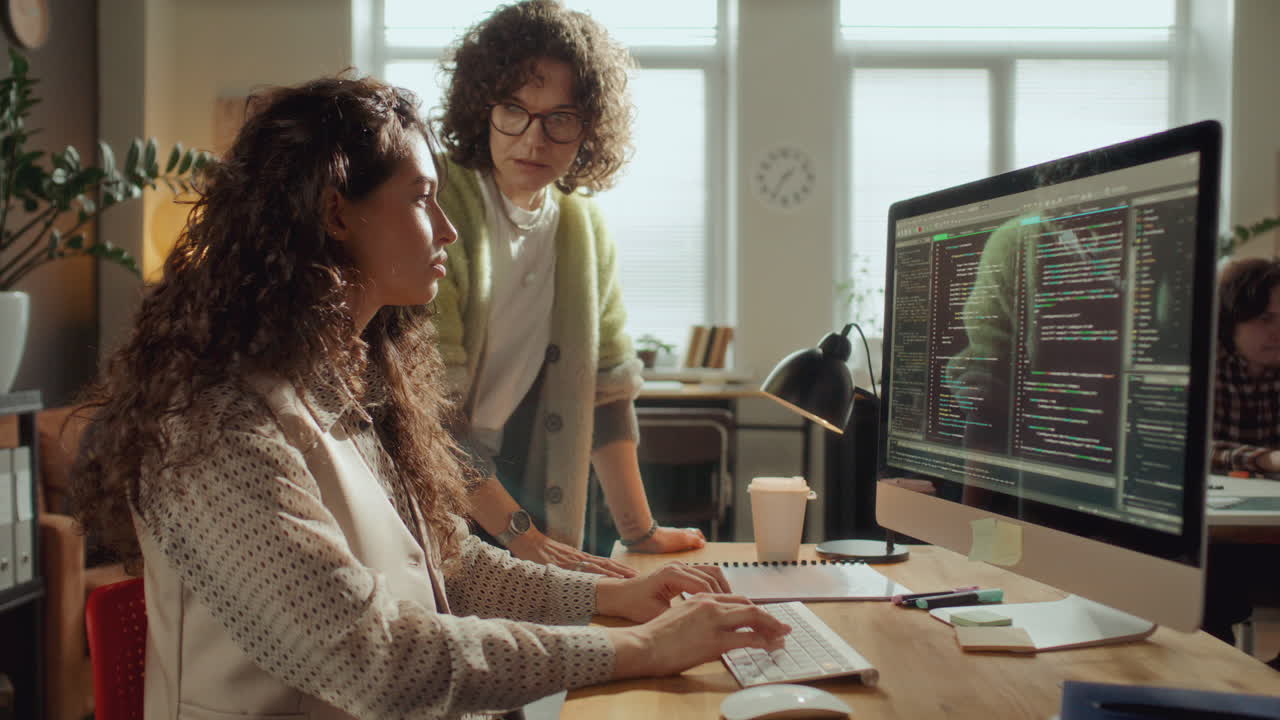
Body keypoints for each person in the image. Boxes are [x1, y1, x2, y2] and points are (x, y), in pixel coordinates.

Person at [68, 74, 789, 719]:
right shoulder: (214, 424)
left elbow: (446, 566)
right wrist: (640, 650)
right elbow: (372, 658)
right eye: (420, 199)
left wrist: (611, 598)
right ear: (335, 214)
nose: (445, 228)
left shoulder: (345, 381)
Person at [433, 0, 703, 575]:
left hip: (519, 476)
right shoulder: (438, 206)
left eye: (560, 117)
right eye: (514, 110)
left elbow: (607, 390)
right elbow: (425, 412)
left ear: (589, 129)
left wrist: (641, 532)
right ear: (482, 108)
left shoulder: (583, 227)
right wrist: (524, 539)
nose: (534, 139)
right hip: (433, 474)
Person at [1203, 257, 1280, 659]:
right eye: (1265, 319)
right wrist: (1265, 460)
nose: (1277, 331)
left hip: (1269, 533)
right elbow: (1196, 448)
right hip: (1219, 538)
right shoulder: (1203, 367)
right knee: (1210, 590)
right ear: (1233, 318)